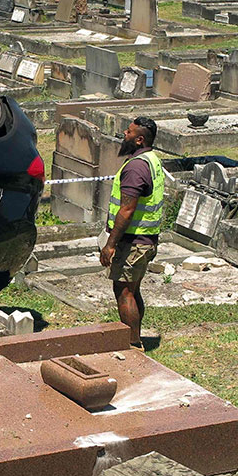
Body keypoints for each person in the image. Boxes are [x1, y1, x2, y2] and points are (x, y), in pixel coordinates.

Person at [97, 116, 164, 350]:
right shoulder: (151, 160)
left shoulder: (135, 167)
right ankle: (137, 337)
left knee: (123, 290)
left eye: (129, 132)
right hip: (147, 238)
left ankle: (133, 344)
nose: (124, 134)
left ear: (139, 139)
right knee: (133, 289)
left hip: (133, 241)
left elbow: (127, 209)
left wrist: (110, 244)